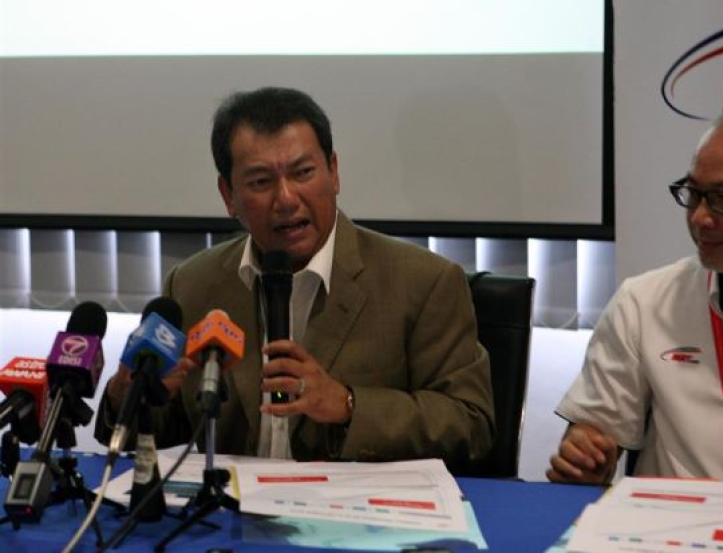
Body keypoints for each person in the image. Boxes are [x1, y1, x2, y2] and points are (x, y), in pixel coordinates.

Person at [96, 87, 494, 473]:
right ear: (228, 195)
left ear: (333, 172)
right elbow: (157, 429)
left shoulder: (424, 282)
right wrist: (126, 395)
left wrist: (348, 404)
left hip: (352, 510)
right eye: (260, 181)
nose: (286, 199)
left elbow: (471, 424)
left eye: (303, 172)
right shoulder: (192, 284)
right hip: (233, 508)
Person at [548, 102, 723, 490]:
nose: (699, 217)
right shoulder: (645, 303)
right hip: (668, 522)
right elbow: (593, 431)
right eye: (693, 193)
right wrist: (585, 453)